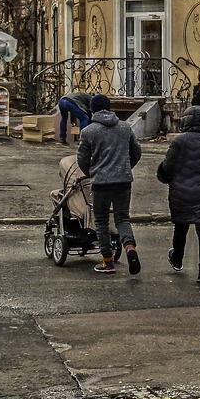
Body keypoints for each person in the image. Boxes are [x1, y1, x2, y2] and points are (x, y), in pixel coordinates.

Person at [157, 105, 200, 285]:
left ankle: (177, 258)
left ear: (185, 121)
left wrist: (163, 176)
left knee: (181, 226)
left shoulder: (178, 142)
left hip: (182, 192)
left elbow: (167, 166)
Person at [77, 94, 143, 275]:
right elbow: (137, 152)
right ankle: (130, 247)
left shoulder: (88, 132)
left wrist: (91, 173)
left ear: (92, 110)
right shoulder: (125, 127)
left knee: (101, 221)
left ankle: (108, 261)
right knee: (122, 218)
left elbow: (82, 159)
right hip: (123, 181)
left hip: (100, 183)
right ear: (109, 107)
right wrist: (126, 168)